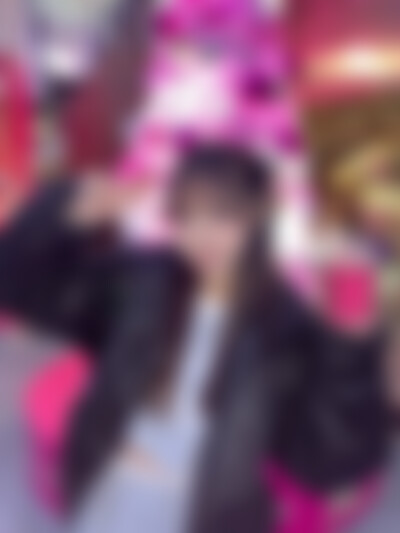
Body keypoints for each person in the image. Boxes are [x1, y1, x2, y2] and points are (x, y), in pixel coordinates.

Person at [0, 144, 386, 533]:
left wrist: (348, 356)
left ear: (258, 215)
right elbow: (23, 289)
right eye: (186, 215)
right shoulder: (139, 283)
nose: (201, 234)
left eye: (222, 213)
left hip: (206, 518)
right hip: (107, 497)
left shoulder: (284, 327)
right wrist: (59, 213)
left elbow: (327, 463)